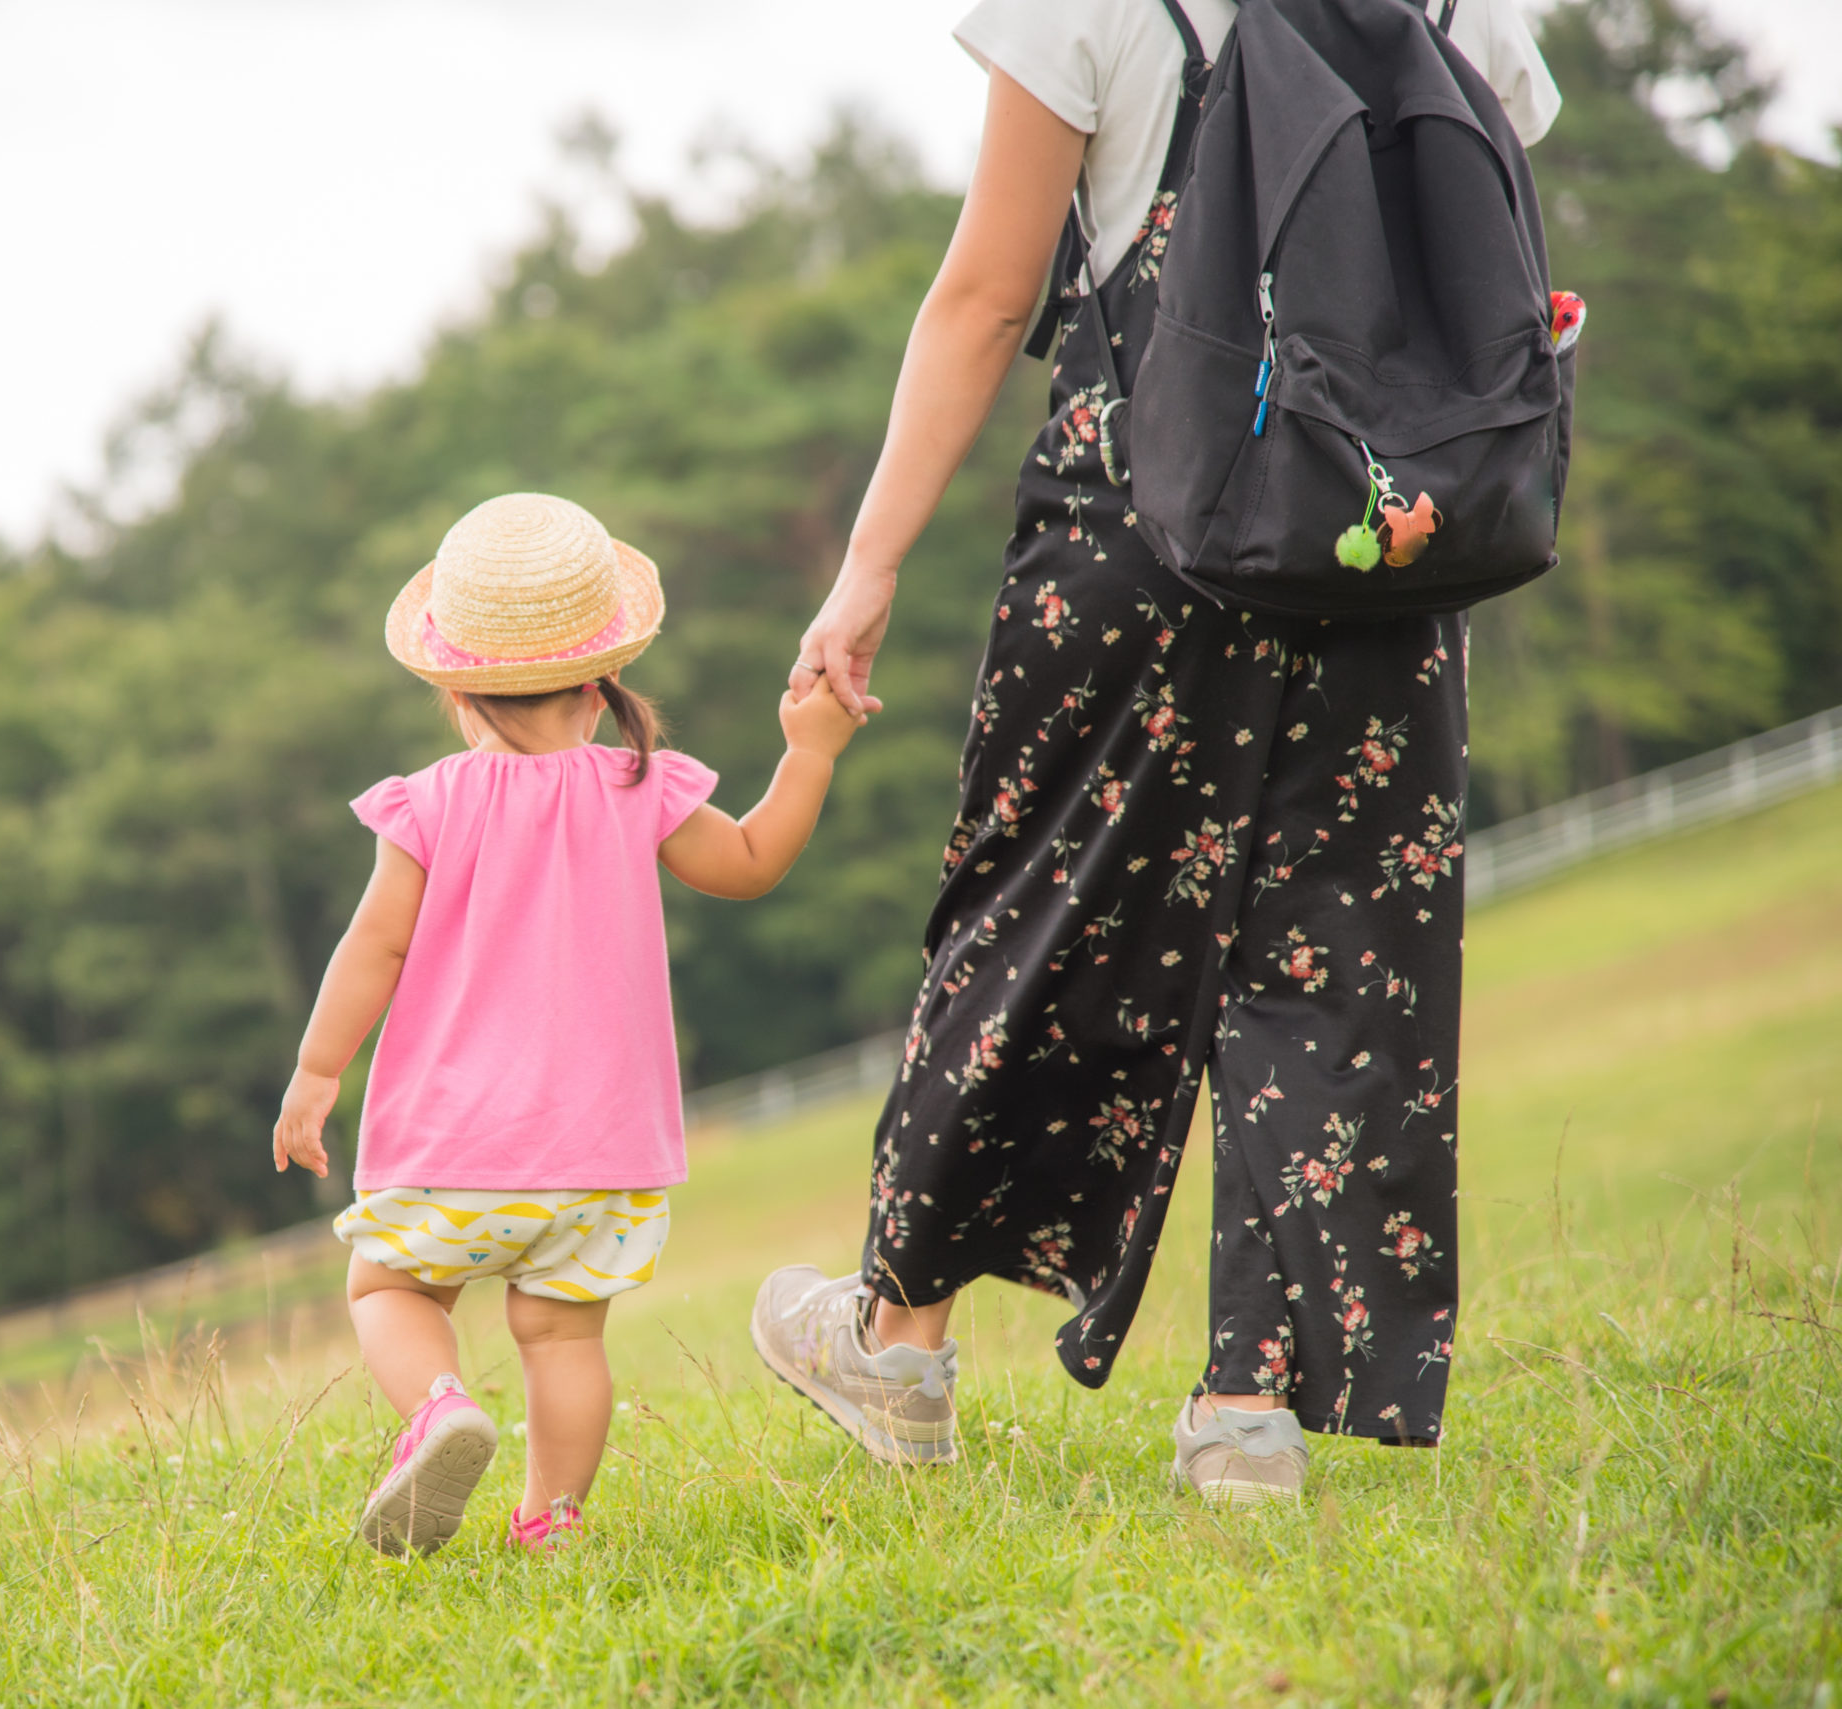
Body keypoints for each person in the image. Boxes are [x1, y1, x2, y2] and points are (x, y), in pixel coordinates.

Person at [749, 0, 1560, 1503]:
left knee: (1033, 919)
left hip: (1143, 530)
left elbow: (990, 298)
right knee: (1337, 952)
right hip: (1383, 534)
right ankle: (1248, 1414)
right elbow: (1490, 262)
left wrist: (865, 570)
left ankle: (901, 1342)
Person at [273, 491, 860, 1555]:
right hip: (598, 1158)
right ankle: (551, 1521)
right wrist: (809, 750)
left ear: (454, 688)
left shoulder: (428, 803)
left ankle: (439, 1407)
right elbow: (751, 863)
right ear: (601, 683)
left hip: (451, 1143)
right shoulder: (639, 783)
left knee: (388, 1283)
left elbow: (375, 946)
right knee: (560, 1337)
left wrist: (318, 1070)